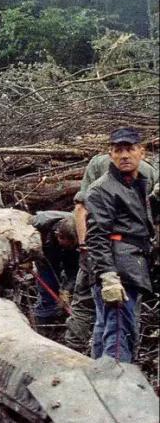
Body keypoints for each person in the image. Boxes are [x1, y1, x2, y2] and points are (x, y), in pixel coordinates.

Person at [65, 148, 158, 351]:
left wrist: (84, 247)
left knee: (95, 309)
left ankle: (80, 353)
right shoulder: (147, 170)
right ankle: (114, 366)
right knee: (122, 317)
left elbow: (81, 209)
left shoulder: (100, 165)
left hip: (104, 251)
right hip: (128, 255)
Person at [85, 127, 154, 362]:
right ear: (110, 154)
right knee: (119, 333)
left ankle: (98, 377)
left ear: (141, 152)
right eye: (118, 150)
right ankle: (116, 386)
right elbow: (96, 237)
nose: (125, 155)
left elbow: (142, 219)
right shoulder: (101, 189)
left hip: (134, 262)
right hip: (117, 267)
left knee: (109, 326)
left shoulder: (140, 182)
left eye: (130, 149)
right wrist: (108, 276)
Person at [29, 211, 78, 326]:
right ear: (58, 236)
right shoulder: (38, 224)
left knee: (68, 280)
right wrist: (26, 257)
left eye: (72, 245)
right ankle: (43, 318)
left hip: (55, 248)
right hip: (43, 247)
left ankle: (57, 311)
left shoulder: (76, 233)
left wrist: (66, 290)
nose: (69, 247)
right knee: (47, 280)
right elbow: (19, 234)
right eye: (67, 244)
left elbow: (73, 270)